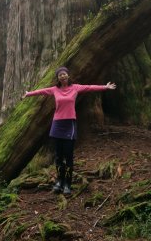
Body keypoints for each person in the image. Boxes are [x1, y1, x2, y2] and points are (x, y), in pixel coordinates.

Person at [23, 67, 116, 195]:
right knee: (58, 156)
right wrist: (29, 93)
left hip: (69, 124)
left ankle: (67, 183)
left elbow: (89, 87)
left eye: (64, 74)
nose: (62, 76)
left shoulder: (75, 88)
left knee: (68, 156)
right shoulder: (54, 89)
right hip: (57, 124)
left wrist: (105, 87)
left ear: (68, 76)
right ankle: (59, 181)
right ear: (58, 78)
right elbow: (42, 91)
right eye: (60, 75)